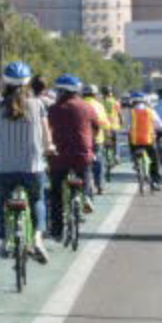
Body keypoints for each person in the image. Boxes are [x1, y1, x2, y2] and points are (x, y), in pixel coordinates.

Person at [0, 61, 54, 263]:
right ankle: (38, 238)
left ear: (5, 82)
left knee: (3, 199)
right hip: (33, 167)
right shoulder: (38, 105)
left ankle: (5, 238)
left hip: (3, 167)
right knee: (37, 200)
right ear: (28, 82)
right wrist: (49, 147)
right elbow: (46, 135)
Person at [45, 74, 101, 238]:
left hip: (59, 156)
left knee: (56, 193)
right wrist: (90, 142)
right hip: (82, 154)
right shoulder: (87, 107)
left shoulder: (54, 109)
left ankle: (57, 230)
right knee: (85, 174)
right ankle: (86, 196)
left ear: (61, 91)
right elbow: (96, 127)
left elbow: (46, 130)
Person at [128, 91, 162, 189]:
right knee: (154, 160)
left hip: (135, 141)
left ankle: (135, 160)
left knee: (130, 139)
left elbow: (129, 126)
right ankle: (155, 181)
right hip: (149, 140)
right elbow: (160, 124)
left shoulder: (132, 112)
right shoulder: (151, 111)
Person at [80, 83, 111, 193]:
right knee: (98, 162)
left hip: (81, 139)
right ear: (95, 94)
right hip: (97, 139)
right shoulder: (99, 106)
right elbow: (105, 124)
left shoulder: (80, 104)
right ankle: (100, 186)